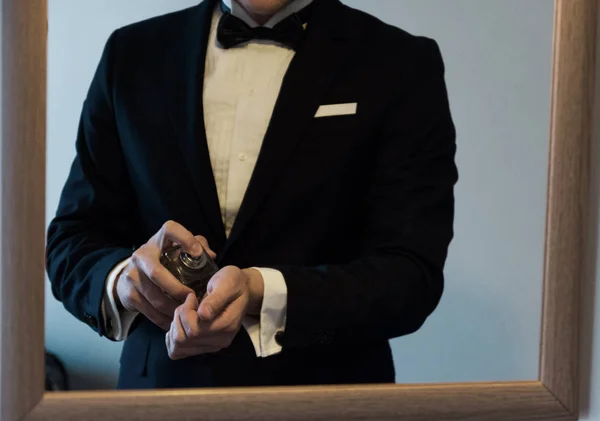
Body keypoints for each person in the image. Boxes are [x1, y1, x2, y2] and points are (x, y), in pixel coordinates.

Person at [46, 0, 458, 389]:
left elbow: (410, 274)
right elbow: (72, 240)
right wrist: (124, 282)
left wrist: (262, 290)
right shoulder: (131, 53)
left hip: (329, 398)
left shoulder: (400, 63)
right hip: (160, 395)